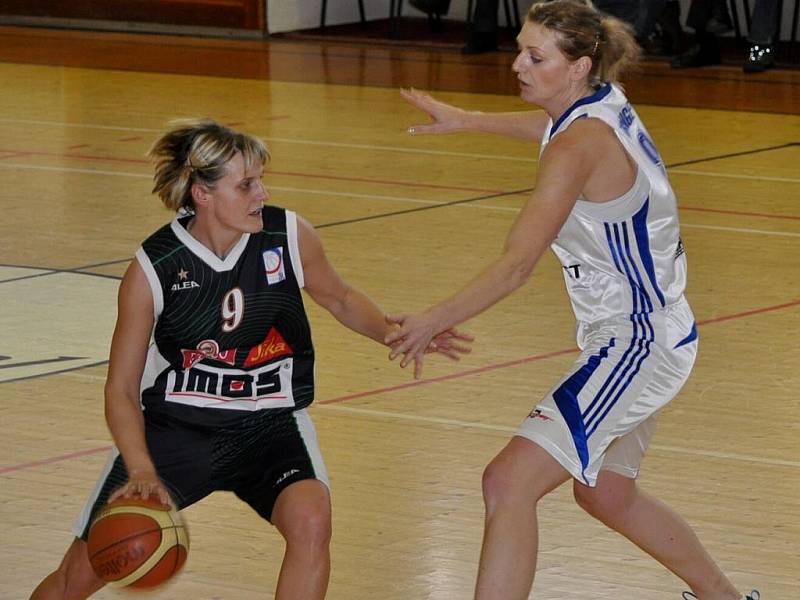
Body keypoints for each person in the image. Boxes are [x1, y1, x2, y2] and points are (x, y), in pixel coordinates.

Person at [388, 1, 760, 598]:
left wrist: (434, 318)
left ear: (580, 65)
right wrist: (468, 119)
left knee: (507, 483)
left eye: (536, 57)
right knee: (605, 493)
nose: (517, 64)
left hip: (637, 342)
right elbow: (553, 125)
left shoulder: (577, 147)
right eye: (519, 48)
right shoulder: (601, 104)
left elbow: (516, 265)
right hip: (657, 330)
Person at [29, 119, 472, 600]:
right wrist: (141, 469)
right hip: (177, 430)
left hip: (269, 426)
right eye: (246, 185)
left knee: (311, 521)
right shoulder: (155, 268)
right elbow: (119, 391)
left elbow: (340, 298)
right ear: (202, 193)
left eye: (260, 180)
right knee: (78, 576)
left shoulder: (288, 235)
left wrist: (395, 333)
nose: (261, 193)